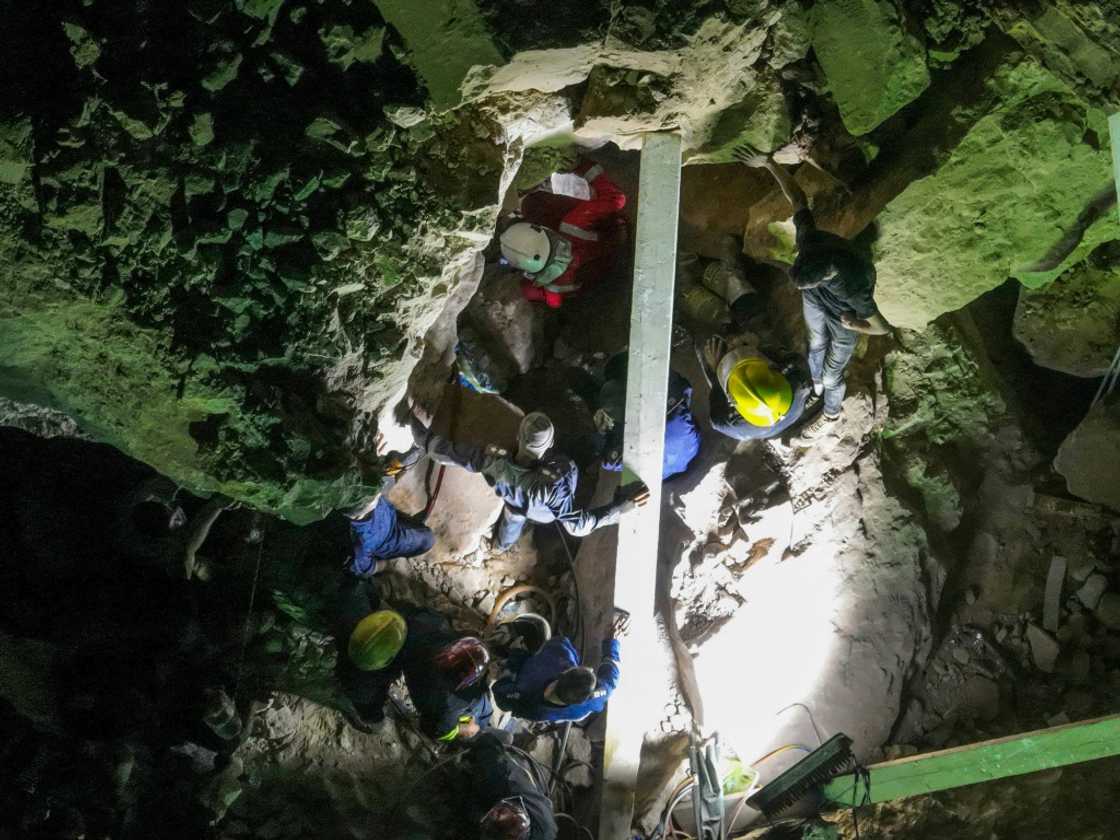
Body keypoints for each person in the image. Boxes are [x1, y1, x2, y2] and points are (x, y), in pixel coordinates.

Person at [743, 150, 890, 438]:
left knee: (833, 374)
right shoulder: (809, 240)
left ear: (825, 276)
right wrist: (769, 163)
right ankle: (817, 384)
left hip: (843, 318)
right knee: (815, 343)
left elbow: (882, 328)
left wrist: (855, 324)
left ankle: (831, 412)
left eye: (806, 284)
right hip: (818, 300)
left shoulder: (854, 289)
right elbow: (798, 198)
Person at [410, 410, 649, 554]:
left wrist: (421, 436)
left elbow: (450, 453)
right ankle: (601, 440)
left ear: (518, 437)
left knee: (512, 521)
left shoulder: (494, 463)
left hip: (516, 504)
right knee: (583, 450)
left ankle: (501, 547)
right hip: (545, 512)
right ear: (551, 444)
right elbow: (578, 526)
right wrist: (620, 508)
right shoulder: (554, 488)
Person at [500, 160, 627, 309]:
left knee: (532, 205)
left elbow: (551, 300)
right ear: (542, 229)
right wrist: (577, 162)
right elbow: (615, 198)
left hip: (600, 274)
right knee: (532, 203)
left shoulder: (552, 286)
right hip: (612, 238)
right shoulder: (572, 226)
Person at [492, 609, 627, 724]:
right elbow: (611, 680)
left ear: (562, 673)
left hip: (529, 674)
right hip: (562, 711)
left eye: (582, 669)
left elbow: (500, 696)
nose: (591, 668)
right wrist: (613, 642)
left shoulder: (527, 696)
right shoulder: (594, 696)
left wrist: (515, 656)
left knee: (546, 637)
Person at [591, 352, 701, 480]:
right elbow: (684, 386)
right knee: (682, 418)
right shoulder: (672, 396)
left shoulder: (621, 444)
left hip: (662, 476)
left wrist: (602, 433)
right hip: (692, 448)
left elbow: (608, 462)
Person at [399, 608, 493, 743]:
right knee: (481, 721)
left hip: (471, 702)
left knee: (483, 711)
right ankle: (480, 733)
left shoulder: (424, 634)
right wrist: (464, 729)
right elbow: (437, 732)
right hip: (471, 709)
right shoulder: (449, 705)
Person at [697, 335, 813, 441]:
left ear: (734, 402)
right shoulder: (798, 376)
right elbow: (790, 357)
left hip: (771, 429)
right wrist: (756, 345)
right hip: (792, 416)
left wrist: (717, 369)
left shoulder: (727, 422)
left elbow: (716, 414)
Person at [333, 575, 409, 732]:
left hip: (350, 670)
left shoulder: (351, 612)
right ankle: (370, 719)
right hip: (361, 686)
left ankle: (372, 717)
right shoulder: (361, 690)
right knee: (369, 706)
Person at [466, 729, 558, 840]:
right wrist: (475, 735)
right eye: (500, 812)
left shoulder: (544, 833)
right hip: (505, 775)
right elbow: (485, 743)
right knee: (499, 739)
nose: (500, 816)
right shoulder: (505, 776)